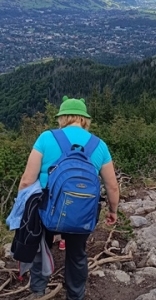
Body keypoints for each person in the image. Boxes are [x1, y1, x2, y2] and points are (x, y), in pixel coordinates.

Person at [18, 96, 120, 300]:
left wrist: (22, 208)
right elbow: (112, 186)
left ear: (62, 117)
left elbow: (27, 181)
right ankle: (75, 295)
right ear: (84, 119)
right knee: (77, 255)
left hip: (45, 208)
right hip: (81, 212)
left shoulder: (46, 138)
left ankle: (38, 291)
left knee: (41, 248)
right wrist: (113, 210)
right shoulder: (99, 145)